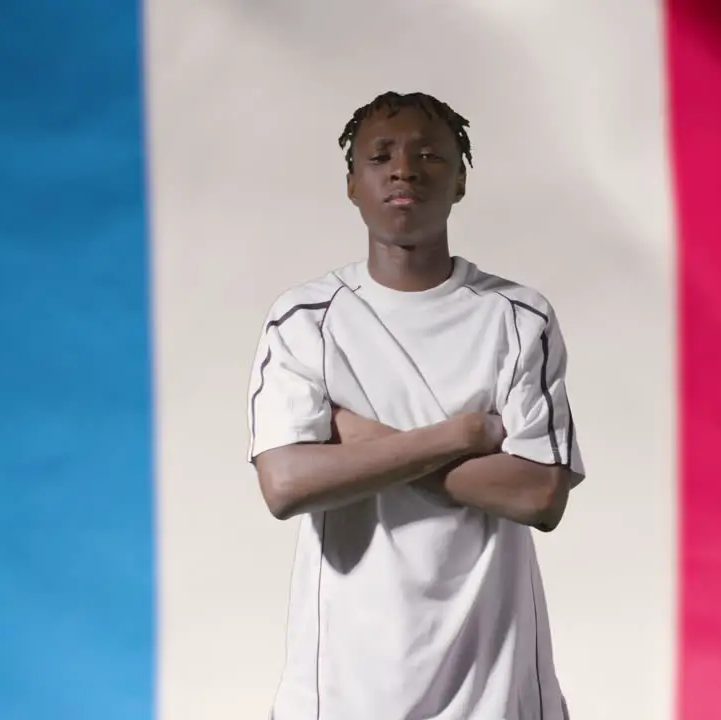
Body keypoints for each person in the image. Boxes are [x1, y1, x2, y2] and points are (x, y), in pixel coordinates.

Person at [246, 91, 585, 720]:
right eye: (381, 156)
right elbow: (286, 485)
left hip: (497, 685)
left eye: (430, 154)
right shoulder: (306, 320)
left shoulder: (518, 318)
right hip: (343, 689)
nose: (404, 169)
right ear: (352, 184)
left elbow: (538, 496)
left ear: (460, 182)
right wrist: (463, 435)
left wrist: (357, 438)